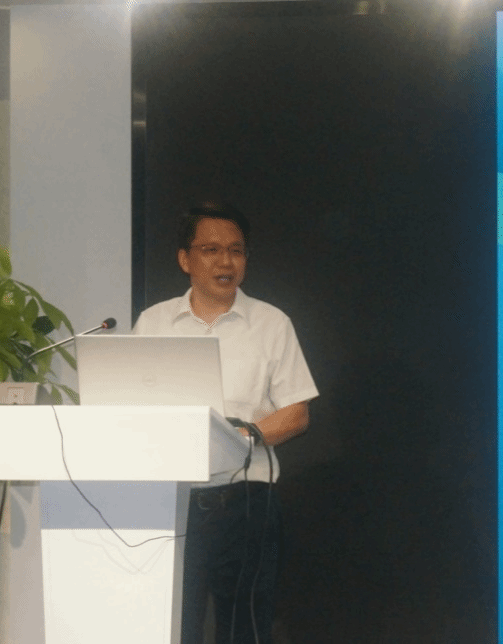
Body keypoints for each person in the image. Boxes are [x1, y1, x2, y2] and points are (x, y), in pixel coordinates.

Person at [133, 201, 318, 643]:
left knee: (245, 629)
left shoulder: (272, 324)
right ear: (185, 259)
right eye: (211, 250)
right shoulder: (155, 322)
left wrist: (244, 436)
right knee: (173, 624)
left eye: (236, 251)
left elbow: (297, 412)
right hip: (171, 499)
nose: (226, 262)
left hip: (247, 501)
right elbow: (133, 404)